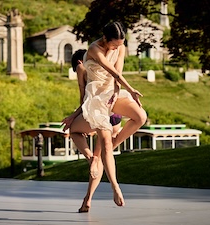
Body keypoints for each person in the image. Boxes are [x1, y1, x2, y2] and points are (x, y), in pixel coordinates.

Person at [62, 21, 147, 209]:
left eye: (120, 44)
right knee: (104, 146)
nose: (118, 47)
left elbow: (118, 72)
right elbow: (112, 72)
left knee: (141, 117)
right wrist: (131, 89)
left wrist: (119, 91)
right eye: (115, 44)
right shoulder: (94, 49)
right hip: (97, 102)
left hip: (113, 96)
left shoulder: (120, 46)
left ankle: (101, 156)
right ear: (105, 39)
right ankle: (115, 188)